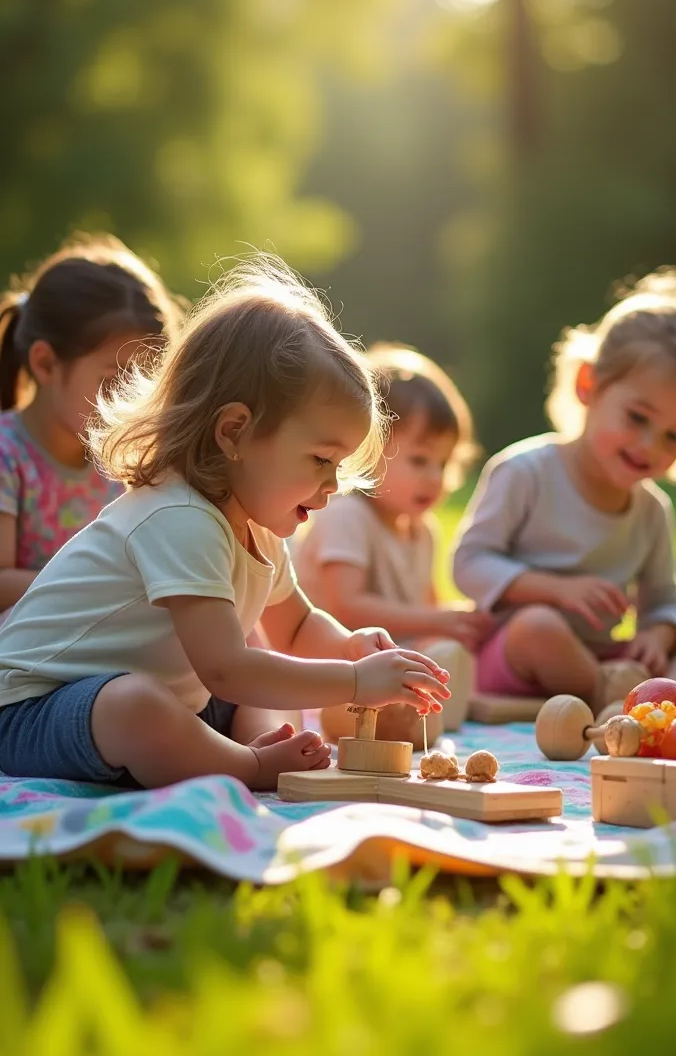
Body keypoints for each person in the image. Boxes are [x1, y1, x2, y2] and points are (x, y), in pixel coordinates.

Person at [0, 257, 449, 790]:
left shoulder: (257, 525)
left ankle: (244, 745)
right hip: (31, 712)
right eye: (320, 460)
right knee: (143, 703)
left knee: (246, 674)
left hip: (152, 703)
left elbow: (298, 627)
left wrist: (350, 646)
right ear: (234, 432)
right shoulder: (179, 516)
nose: (332, 486)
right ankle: (247, 766)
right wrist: (354, 680)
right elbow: (224, 669)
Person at [452, 268, 676, 714]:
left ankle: (653, 702)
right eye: (638, 418)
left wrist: (658, 633)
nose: (649, 447)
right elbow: (469, 563)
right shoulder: (525, 472)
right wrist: (556, 591)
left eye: (674, 436)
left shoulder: (651, 510)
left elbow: (665, 599)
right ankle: (647, 703)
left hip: (604, 660)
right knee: (539, 626)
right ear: (589, 386)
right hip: (519, 655)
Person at [298, 343, 494, 742]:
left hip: (382, 666)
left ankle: (437, 707)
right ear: (367, 452)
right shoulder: (346, 515)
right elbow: (344, 606)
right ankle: (423, 711)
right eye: (420, 461)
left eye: (444, 463)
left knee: (445, 655)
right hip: (332, 667)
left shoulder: (422, 531)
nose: (435, 479)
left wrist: (454, 625)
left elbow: (426, 609)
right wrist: (438, 620)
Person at [0, 234, 182, 613]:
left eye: (143, 385)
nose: (130, 404)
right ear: (45, 363)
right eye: (113, 380)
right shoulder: (7, 455)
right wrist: (107, 585)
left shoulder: (128, 461)